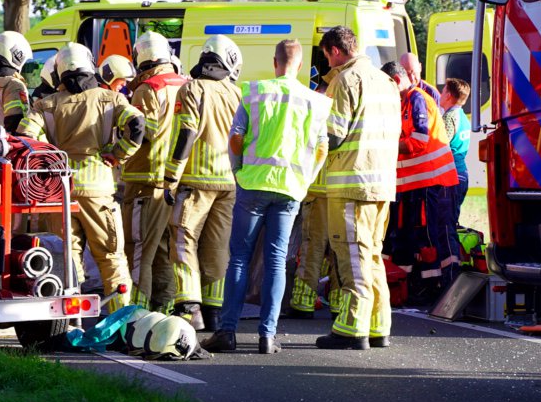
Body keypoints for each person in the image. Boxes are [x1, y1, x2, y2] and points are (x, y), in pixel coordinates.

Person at [204, 38, 329, 354]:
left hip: (253, 186)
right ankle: (267, 337)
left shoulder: (254, 92)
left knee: (240, 258)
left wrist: (239, 170)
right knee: (275, 260)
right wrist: (305, 180)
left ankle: (227, 332)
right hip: (290, 189)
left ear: (275, 63)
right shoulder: (314, 101)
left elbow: (235, 138)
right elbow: (322, 148)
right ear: (299, 66)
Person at [18, 43, 144, 312]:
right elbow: (137, 126)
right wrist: (117, 154)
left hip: (60, 191)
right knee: (111, 257)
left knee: (67, 258)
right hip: (98, 190)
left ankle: (72, 320)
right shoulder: (111, 98)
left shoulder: (45, 104)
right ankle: (119, 323)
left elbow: (25, 140)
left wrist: (49, 163)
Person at [315, 25, 400, 350]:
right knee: (373, 256)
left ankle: (351, 328)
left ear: (335, 51)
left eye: (326, 57)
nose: (328, 64)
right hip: (381, 185)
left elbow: (333, 136)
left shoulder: (344, 80)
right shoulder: (386, 81)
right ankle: (378, 325)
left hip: (352, 185)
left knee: (352, 256)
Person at [165, 35, 244, 329]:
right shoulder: (237, 93)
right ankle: (213, 313)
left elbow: (186, 133)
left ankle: (188, 308)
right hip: (229, 183)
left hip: (196, 181)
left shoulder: (192, 88)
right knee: (218, 248)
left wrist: (171, 177)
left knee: (183, 239)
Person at [384, 60, 459, 305]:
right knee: (407, 235)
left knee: (427, 237)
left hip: (430, 181)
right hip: (414, 183)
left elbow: (418, 141)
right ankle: (408, 285)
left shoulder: (417, 99)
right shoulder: (405, 101)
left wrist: (384, 147)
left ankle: (430, 288)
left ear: (396, 81)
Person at [120, 31, 187, 309]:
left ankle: (136, 312)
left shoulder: (148, 89)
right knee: (161, 251)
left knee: (137, 252)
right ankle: (164, 308)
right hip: (175, 180)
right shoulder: (185, 84)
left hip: (146, 180)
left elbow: (144, 132)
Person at [439, 77, 472, 220]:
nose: (440, 94)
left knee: (445, 226)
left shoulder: (449, 117)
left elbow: (440, 147)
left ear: (448, 96)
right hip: (462, 173)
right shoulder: (463, 116)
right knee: (452, 221)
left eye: (443, 90)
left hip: (451, 176)